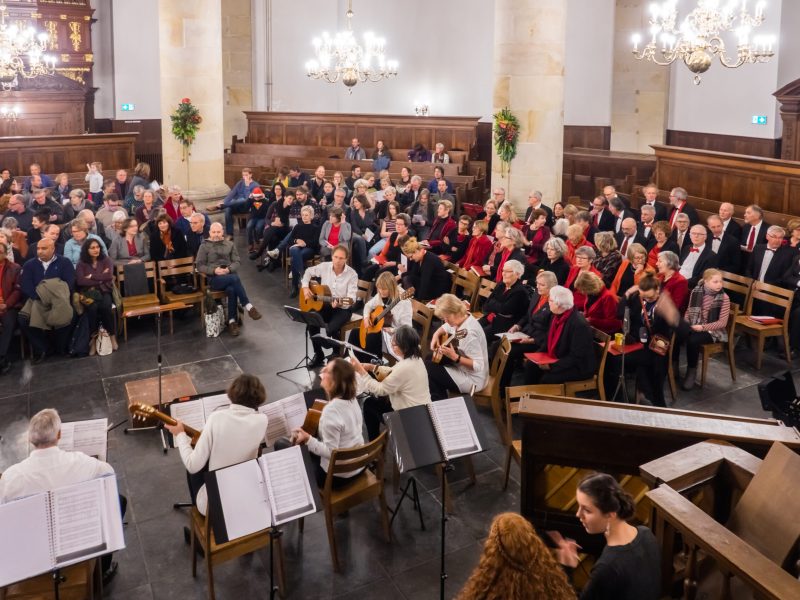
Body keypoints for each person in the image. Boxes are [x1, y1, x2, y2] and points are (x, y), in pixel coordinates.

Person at [0, 408, 123, 584]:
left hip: (31, 547)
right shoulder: (80, 461)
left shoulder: (12, 476)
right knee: (119, 500)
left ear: (30, 439)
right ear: (59, 435)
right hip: (73, 537)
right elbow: (108, 473)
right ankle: (99, 574)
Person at [165, 375, 268, 516]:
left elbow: (192, 465)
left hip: (215, 505)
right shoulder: (262, 420)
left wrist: (180, 434)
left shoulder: (217, 417)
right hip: (244, 496)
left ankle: (199, 517)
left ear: (232, 393)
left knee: (194, 463)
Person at [553, 473, 660, 600]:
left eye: (586, 510)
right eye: (579, 506)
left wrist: (566, 568)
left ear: (610, 514)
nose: (578, 514)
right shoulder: (646, 533)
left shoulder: (607, 567)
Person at [456, 512, 577, 600]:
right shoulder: (552, 583)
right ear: (533, 542)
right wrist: (567, 569)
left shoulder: (484, 590)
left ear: (493, 550)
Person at [351, 325, 430, 441]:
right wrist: (372, 367)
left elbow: (380, 390)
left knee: (369, 405)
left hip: (408, 416)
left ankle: (375, 446)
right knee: (372, 403)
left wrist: (362, 372)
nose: (392, 346)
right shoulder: (416, 358)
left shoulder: (404, 367)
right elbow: (393, 373)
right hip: (421, 409)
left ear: (405, 347)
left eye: (394, 344)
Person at [619, 273, 679, 407]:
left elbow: (674, 328)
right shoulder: (636, 298)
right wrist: (628, 293)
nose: (646, 298)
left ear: (657, 290)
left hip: (657, 345)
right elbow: (620, 313)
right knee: (616, 360)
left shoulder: (664, 304)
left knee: (651, 365)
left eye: (649, 296)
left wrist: (672, 318)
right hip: (639, 343)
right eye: (643, 295)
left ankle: (655, 399)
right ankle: (627, 395)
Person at [196, 223, 261, 336]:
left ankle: (232, 321)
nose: (216, 235)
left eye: (218, 232)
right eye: (214, 232)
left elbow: (237, 261)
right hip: (215, 279)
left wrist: (229, 269)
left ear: (222, 232)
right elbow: (199, 265)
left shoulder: (230, 244)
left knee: (232, 289)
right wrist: (214, 271)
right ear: (210, 233)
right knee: (235, 278)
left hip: (228, 276)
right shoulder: (204, 246)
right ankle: (248, 305)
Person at [524, 285, 596, 385]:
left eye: (551, 300)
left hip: (579, 366)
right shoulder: (557, 315)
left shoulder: (578, 325)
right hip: (561, 357)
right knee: (531, 365)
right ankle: (528, 397)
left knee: (547, 379)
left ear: (559, 304)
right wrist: (537, 356)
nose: (548, 302)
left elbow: (576, 356)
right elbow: (549, 339)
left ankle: (540, 398)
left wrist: (551, 366)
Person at [498, 270, 557, 391]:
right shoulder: (537, 294)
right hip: (525, 332)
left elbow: (551, 331)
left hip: (537, 341)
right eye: (537, 283)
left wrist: (532, 340)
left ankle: (504, 390)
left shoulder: (555, 303)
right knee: (497, 345)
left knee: (508, 351)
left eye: (542, 285)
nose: (538, 287)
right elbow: (527, 315)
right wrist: (517, 326)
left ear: (552, 287)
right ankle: (499, 384)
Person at [18, 237, 75, 361]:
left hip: (59, 300)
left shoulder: (64, 262)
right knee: (23, 319)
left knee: (70, 315)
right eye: (38, 248)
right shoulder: (29, 265)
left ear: (53, 249)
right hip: (36, 300)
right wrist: (41, 297)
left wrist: (53, 297)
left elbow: (68, 284)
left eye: (44, 248)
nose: (40, 251)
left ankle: (61, 347)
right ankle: (43, 348)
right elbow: (26, 286)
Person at [301, 244, 358, 366]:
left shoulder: (352, 274)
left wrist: (340, 303)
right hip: (325, 305)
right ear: (332, 256)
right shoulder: (325, 267)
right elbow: (307, 272)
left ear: (346, 259)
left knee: (330, 329)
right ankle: (319, 354)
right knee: (311, 322)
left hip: (343, 309)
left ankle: (336, 353)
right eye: (336, 257)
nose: (338, 260)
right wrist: (305, 287)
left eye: (341, 258)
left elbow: (352, 298)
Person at [426, 293, 489, 400]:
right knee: (430, 359)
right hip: (464, 368)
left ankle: (439, 402)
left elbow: (479, 366)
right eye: (443, 318)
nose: (445, 321)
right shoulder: (464, 318)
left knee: (428, 368)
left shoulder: (469, 334)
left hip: (474, 380)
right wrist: (435, 335)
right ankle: (439, 400)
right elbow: (445, 327)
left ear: (455, 312)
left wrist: (455, 357)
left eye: (447, 317)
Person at [679, 268, 730, 390]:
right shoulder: (696, 291)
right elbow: (689, 311)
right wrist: (686, 322)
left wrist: (702, 327)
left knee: (693, 340)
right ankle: (674, 366)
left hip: (713, 330)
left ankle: (691, 371)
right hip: (695, 323)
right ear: (706, 281)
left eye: (720, 281)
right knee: (677, 332)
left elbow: (722, 323)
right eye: (715, 281)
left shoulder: (724, 298)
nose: (719, 284)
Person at [267, 205, 320, 296]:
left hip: (309, 249)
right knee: (294, 251)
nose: (304, 217)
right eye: (303, 215)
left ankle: (295, 287)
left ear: (311, 216)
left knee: (294, 258)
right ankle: (302, 274)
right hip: (297, 248)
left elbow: (315, 242)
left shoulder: (315, 227)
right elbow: (290, 240)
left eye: (306, 215)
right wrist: (296, 241)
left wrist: (304, 243)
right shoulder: (297, 226)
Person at [76, 238, 117, 348]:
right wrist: (100, 278)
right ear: (86, 250)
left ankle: (112, 336)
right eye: (92, 248)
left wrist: (92, 277)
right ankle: (93, 340)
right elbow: (80, 281)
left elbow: (109, 276)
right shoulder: (81, 264)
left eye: (98, 247)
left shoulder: (106, 260)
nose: (96, 250)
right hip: (90, 293)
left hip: (104, 291)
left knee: (105, 307)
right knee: (92, 309)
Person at [478, 259, 529, 339]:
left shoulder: (520, 291)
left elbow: (505, 310)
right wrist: (497, 306)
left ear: (517, 274)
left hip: (505, 325)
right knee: (471, 328)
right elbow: (486, 304)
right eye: (503, 270)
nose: (503, 274)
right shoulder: (501, 284)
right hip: (491, 317)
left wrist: (493, 304)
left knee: (480, 336)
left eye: (507, 271)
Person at [398, 237, 451, 302]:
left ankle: (411, 299)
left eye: (411, 256)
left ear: (417, 251)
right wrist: (399, 276)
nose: (411, 259)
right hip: (428, 284)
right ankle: (408, 298)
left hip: (436, 289)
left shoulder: (429, 260)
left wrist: (418, 302)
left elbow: (424, 283)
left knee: (407, 280)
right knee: (407, 278)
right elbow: (413, 274)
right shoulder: (419, 258)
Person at [219, 167, 259, 238]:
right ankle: (230, 234)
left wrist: (247, 185)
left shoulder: (255, 185)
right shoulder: (240, 183)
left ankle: (223, 206)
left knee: (242, 200)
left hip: (247, 207)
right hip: (236, 205)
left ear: (251, 175)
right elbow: (232, 193)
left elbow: (248, 199)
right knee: (228, 209)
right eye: (243, 175)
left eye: (246, 175)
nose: (244, 177)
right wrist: (224, 201)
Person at [0, 241, 21, 373]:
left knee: (8, 323)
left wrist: (6, 304)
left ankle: (1, 358)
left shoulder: (15, 268)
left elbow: (18, 290)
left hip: (9, 305)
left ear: (5, 253)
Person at [679, 225, 718, 289]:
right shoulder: (686, 248)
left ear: (705, 237)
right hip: (677, 280)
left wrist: (682, 282)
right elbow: (679, 266)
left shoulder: (712, 256)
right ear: (690, 236)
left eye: (699, 234)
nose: (696, 236)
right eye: (693, 233)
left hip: (690, 287)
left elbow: (702, 277)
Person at [245, 186, 269, 251]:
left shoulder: (264, 201)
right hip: (253, 217)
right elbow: (246, 207)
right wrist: (249, 199)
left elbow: (267, 208)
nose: (256, 198)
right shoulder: (251, 200)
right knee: (249, 227)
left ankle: (257, 242)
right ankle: (250, 243)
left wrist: (264, 199)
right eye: (255, 197)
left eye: (258, 197)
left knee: (258, 228)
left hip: (262, 218)